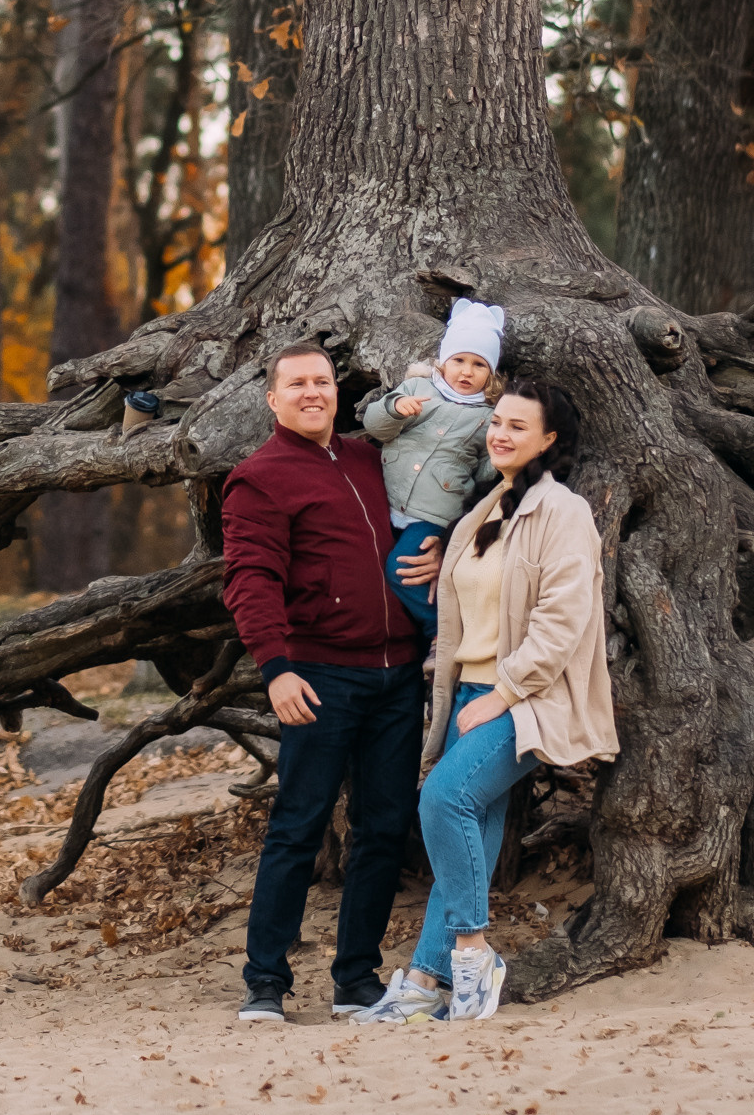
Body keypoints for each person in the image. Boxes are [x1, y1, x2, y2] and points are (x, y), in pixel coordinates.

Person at [361, 378, 616, 1027]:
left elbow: (565, 618)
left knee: (443, 799)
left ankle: (475, 954)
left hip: (525, 697)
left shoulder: (562, 511)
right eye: (496, 421)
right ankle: (425, 980)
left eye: (518, 426)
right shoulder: (483, 506)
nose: (499, 432)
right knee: (465, 828)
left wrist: (502, 693)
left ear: (549, 440)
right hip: (469, 691)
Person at [221, 341, 440, 1024]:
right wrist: (275, 667)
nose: (312, 392)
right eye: (297, 384)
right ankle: (266, 982)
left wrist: (433, 553)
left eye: (322, 381)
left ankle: (356, 981)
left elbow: (425, 515)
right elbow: (250, 578)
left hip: (398, 675)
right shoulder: (260, 477)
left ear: (336, 391)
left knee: (382, 828)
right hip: (317, 676)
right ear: (273, 398)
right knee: (299, 824)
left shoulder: (372, 458)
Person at [358, 298, 504, 637]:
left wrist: (492, 465)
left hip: (435, 515)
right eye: (459, 360)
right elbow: (377, 427)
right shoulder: (417, 389)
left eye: (479, 365)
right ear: (443, 362)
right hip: (388, 501)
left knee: (402, 570)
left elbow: (485, 471)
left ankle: (442, 633)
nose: (467, 371)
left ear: (491, 373)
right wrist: (395, 409)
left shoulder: (488, 416)